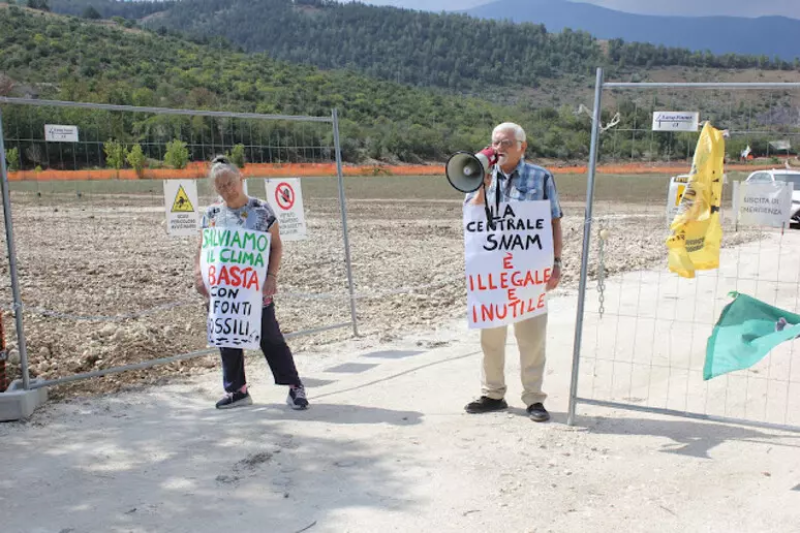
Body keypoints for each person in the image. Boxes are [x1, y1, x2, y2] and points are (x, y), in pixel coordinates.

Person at [463, 122, 563, 422]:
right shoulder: (478, 175)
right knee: (491, 338)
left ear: (522, 146)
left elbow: (553, 221)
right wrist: (482, 182)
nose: (499, 148)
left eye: (506, 143)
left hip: (528, 272)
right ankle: (493, 394)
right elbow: (474, 216)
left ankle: (533, 398)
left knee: (531, 338)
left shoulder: (540, 176)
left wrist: (555, 263)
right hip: (493, 273)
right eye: (495, 142)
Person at [193, 155, 309, 411]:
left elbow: (276, 247)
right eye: (221, 186)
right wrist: (199, 275)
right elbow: (203, 248)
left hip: (256, 291)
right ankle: (237, 390)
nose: (227, 189)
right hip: (224, 294)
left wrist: (271, 277)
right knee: (227, 338)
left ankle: (294, 386)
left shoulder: (261, 210)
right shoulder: (212, 214)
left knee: (271, 338)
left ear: (241, 178)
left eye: (230, 183)